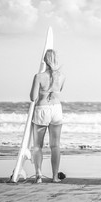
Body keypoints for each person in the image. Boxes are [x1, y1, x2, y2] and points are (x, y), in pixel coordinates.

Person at [30, 49, 66, 183]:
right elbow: (59, 90)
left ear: (45, 60)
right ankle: (55, 177)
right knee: (55, 146)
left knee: (38, 146)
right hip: (56, 109)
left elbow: (33, 97)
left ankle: (38, 175)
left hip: (42, 109)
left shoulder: (38, 76)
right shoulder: (62, 76)